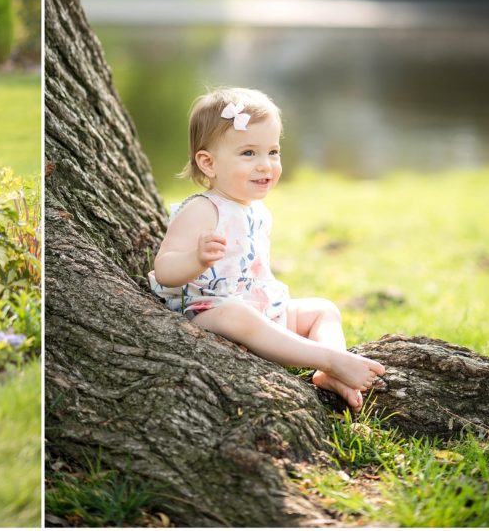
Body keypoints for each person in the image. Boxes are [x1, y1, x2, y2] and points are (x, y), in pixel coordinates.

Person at [149, 86, 385, 411]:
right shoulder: (203, 209)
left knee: (322, 310)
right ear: (208, 163)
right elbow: (165, 269)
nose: (265, 165)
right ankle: (330, 359)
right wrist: (196, 258)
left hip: (260, 307)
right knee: (237, 315)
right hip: (212, 312)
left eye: (272, 152)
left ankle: (328, 371)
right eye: (248, 153)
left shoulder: (257, 210)